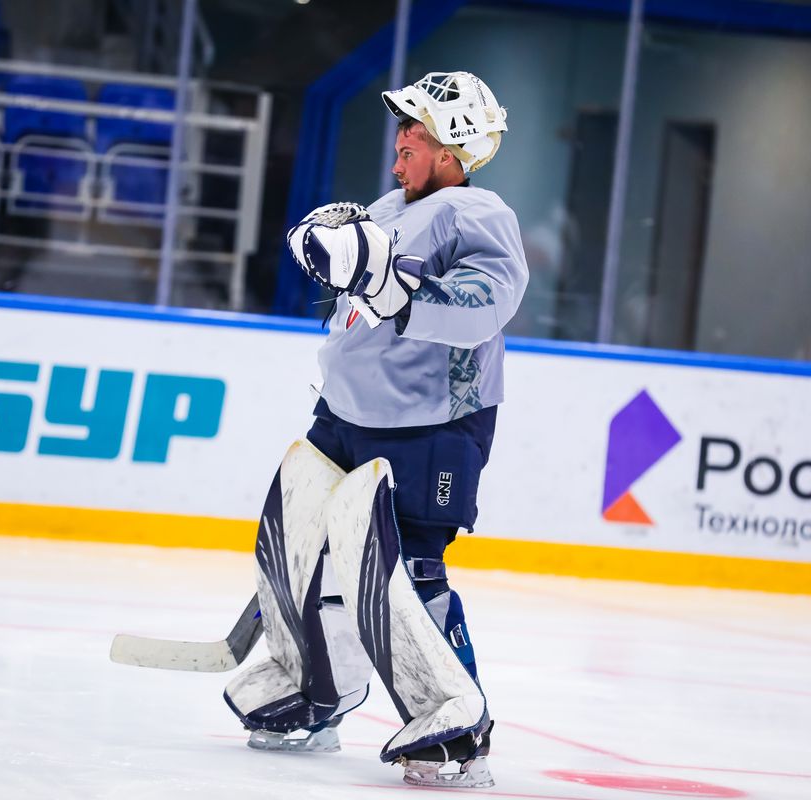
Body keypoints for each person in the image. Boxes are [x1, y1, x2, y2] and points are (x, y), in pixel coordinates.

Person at [223, 71, 527, 790]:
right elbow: (359, 289)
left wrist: (398, 290)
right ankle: (314, 694)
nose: (400, 144)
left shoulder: (479, 212)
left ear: (452, 146)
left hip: (430, 424)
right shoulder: (390, 207)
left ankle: (457, 729)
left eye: (415, 133)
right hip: (344, 415)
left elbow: (486, 303)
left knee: (407, 576)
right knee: (300, 551)